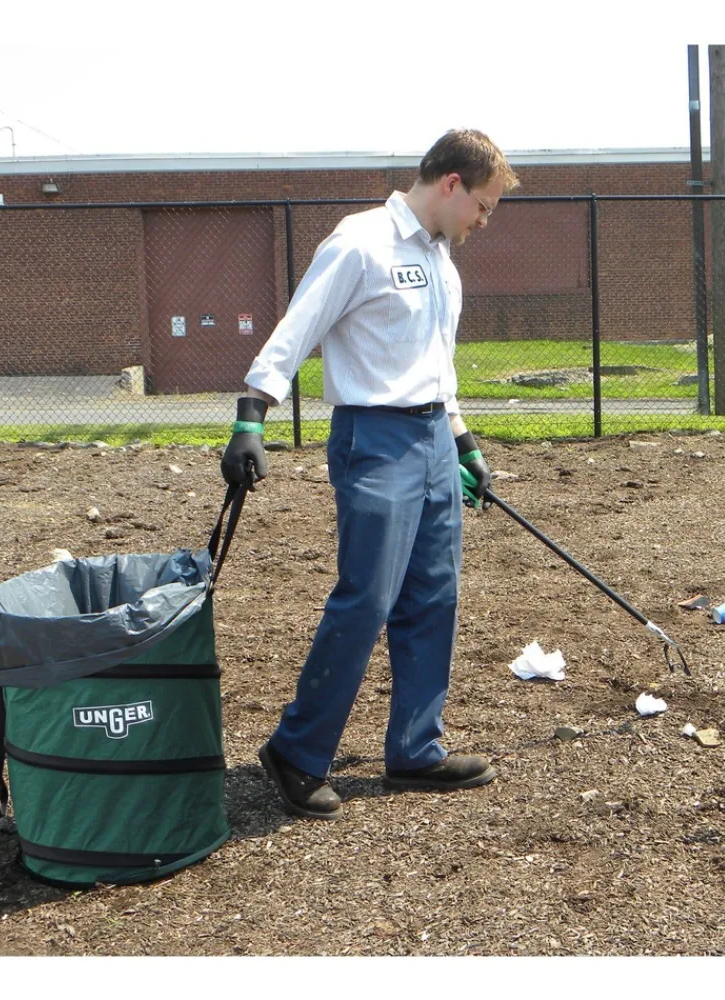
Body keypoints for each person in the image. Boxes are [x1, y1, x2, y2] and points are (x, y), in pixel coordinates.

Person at [220, 129, 520, 820]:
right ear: (451, 183)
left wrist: (463, 443)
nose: (483, 221)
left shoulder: (441, 260)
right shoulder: (360, 244)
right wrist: (251, 416)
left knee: (434, 596)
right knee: (367, 600)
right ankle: (296, 751)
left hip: (433, 439)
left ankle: (416, 749)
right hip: (375, 439)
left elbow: (435, 366)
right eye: (482, 206)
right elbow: (297, 329)